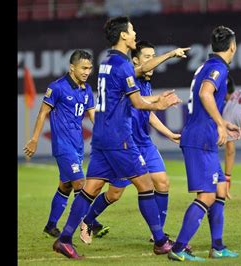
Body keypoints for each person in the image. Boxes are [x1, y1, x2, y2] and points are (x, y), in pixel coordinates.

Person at [52, 16, 181, 259]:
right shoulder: (121, 66)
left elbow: (135, 76)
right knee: (146, 186)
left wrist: (169, 56)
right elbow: (137, 102)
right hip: (118, 138)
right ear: (123, 35)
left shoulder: (107, 61)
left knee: (92, 188)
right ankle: (160, 241)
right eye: (132, 31)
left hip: (101, 135)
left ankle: (65, 238)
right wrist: (160, 104)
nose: (134, 34)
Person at [78, 41, 189, 245]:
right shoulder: (131, 74)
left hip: (144, 144)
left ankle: (159, 235)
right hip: (125, 145)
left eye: (153, 55)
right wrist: (171, 54)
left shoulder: (146, 83)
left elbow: (147, 112)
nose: (152, 61)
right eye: (148, 57)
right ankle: (88, 220)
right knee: (114, 194)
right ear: (136, 61)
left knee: (162, 182)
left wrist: (169, 133)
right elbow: (144, 77)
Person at [167, 26, 241, 262]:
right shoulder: (218, 68)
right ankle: (178, 248)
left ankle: (217, 246)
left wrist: (222, 122)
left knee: (219, 190)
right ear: (233, 46)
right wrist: (220, 123)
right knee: (207, 196)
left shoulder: (207, 66)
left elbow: (204, 103)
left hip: (203, 135)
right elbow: (205, 95)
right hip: (200, 138)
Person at [23, 50, 96, 238]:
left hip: (78, 145)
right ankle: (87, 223)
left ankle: (51, 225)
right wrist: (34, 139)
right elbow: (42, 113)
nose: (87, 71)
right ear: (72, 67)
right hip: (63, 146)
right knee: (80, 182)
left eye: (89, 68)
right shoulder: (58, 87)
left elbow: (93, 116)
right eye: (83, 68)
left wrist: (106, 134)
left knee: (66, 186)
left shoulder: (87, 90)